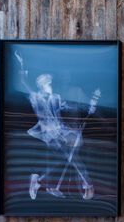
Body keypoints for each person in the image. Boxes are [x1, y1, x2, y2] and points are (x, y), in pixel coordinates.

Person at [13, 51, 97, 201]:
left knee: (66, 157)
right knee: (69, 156)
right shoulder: (36, 97)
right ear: (41, 86)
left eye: (50, 83)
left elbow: (69, 106)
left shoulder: (56, 97)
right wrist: (21, 65)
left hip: (60, 131)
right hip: (47, 133)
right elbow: (23, 83)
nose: (49, 86)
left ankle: (41, 181)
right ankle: (86, 184)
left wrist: (89, 106)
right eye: (47, 84)